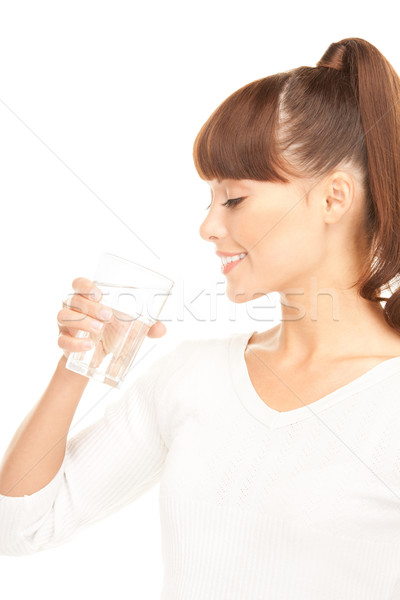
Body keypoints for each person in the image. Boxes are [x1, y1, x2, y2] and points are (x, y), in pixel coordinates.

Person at [1, 36, 400, 599]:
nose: (208, 227)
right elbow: (21, 526)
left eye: (233, 199)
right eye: (208, 201)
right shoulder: (190, 377)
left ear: (333, 199)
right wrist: (79, 362)